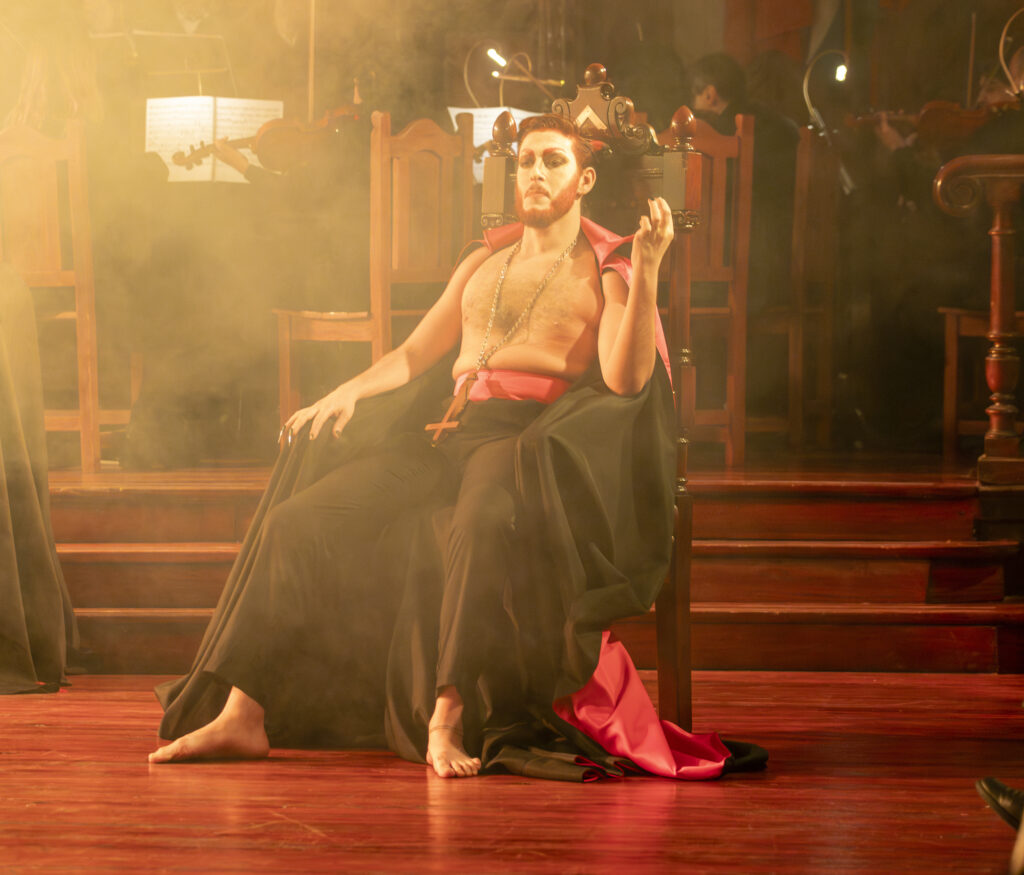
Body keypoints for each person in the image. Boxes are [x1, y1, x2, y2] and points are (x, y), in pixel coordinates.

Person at [149, 113, 766, 781]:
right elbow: (416, 353)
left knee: (476, 523)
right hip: (448, 435)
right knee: (295, 522)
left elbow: (626, 380)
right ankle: (243, 714)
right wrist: (345, 392)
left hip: (523, 440)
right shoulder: (483, 260)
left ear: (584, 179)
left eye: (553, 161)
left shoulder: (607, 267)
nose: (535, 173)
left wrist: (647, 270)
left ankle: (446, 713)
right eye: (526, 160)